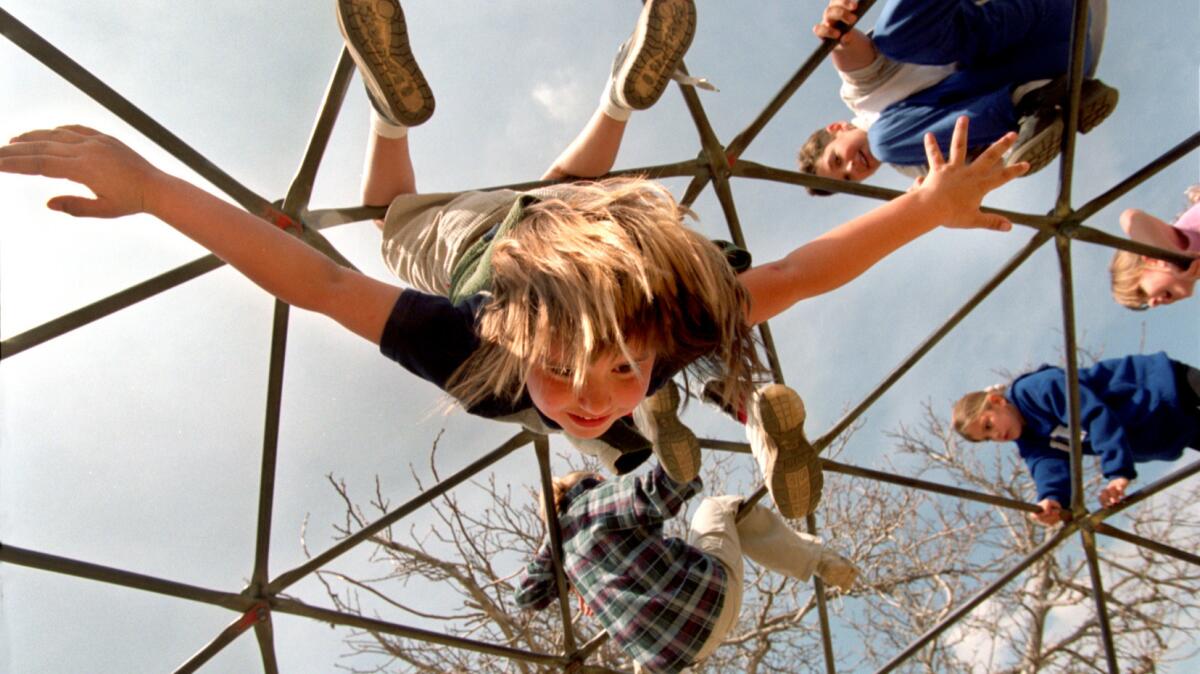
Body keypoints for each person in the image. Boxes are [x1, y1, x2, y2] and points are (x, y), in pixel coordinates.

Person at [0, 0, 1026, 519]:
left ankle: (570, 103)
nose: (590, 396)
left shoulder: (477, 358)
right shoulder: (650, 327)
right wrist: (925, 209)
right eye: (616, 378)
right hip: (543, 227)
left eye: (593, 379)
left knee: (433, 209)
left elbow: (311, 282)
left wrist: (156, 191)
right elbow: (798, 274)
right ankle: (560, 101)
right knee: (429, 205)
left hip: (526, 235)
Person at [514, 456, 859, 673]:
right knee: (718, 507)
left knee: (639, 635)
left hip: (670, 659)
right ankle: (819, 560)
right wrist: (676, 456)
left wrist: (567, 570)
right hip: (708, 603)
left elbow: (526, 596)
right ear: (592, 482)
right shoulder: (597, 498)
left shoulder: (559, 548)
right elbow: (665, 488)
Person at [798, 0, 1118, 193]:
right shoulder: (923, 165)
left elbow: (853, 55)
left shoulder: (864, 99)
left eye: (838, 160)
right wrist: (929, 201)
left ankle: (1032, 100)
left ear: (838, 128)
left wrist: (839, 31)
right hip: (1061, 60)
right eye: (851, 179)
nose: (854, 167)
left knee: (893, 40)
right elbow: (986, 171)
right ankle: (1040, 100)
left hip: (1039, 14)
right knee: (891, 143)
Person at [951, 353, 1200, 526]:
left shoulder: (1034, 390)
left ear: (997, 401)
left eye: (989, 425)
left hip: (1162, 387)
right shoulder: (1031, 440)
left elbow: (1093, 414)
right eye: (988, 438)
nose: (996, 436)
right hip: (1168, 428)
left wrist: (1117, 471)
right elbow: (1046, 466)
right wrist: (1051, 499)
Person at [1109, 186, 1200, 309]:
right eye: (1145, 303)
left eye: (1142, 292)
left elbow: (1130, 217)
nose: (1152, 304)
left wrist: (1169, 255)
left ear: (1151, 260)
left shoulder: (1186, 233)